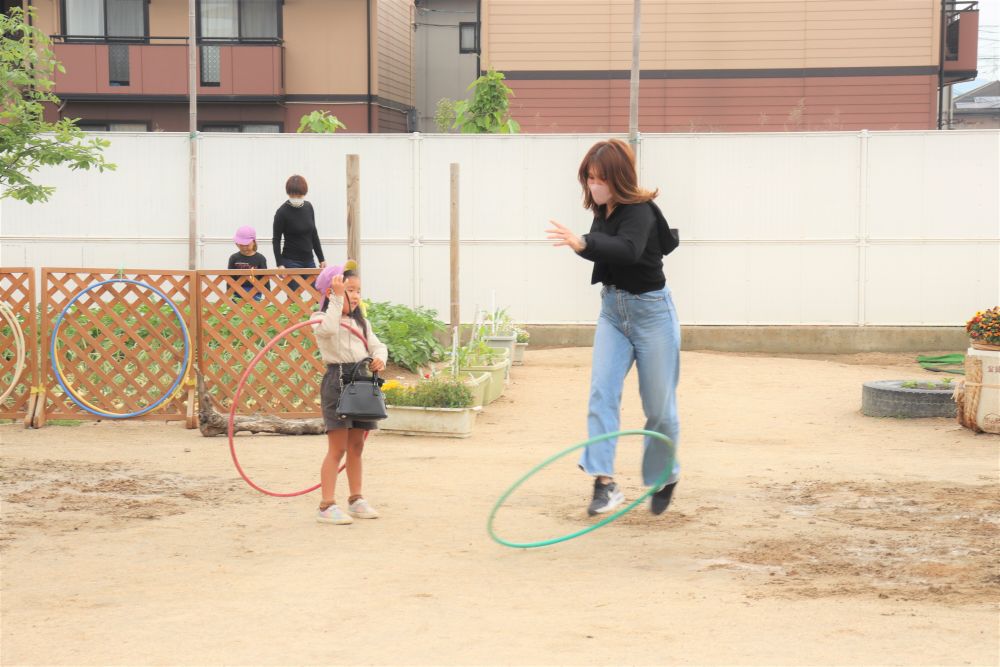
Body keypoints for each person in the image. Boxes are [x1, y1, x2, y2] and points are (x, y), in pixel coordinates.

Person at [546, 138, 681, 518]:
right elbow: (607, 250)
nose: (593, 185)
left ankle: (664, 475)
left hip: (652, 313)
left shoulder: (640, 211)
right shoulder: (603, 210)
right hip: (613, 313)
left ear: (618, 178)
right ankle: (604, 482)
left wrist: (583, 242)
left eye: (600, 178)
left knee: (659, 408)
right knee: (602, 393)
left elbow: (628, 249)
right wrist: (587, 241)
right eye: (589, 178)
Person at [311, 262, 387, 525]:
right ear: (330, 293)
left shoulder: (362, 323)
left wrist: (379, 359)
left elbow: (378, 346)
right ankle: (326, 505)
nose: (354, 295)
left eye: (356, 291)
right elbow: (329, 330)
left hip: (361, 382)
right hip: (337, 382)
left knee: (357, 445)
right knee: (338, 447)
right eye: (348, 290)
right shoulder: (320, 318)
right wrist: (336, 298)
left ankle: (356, 499)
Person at [273, 174, 326, 291]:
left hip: (309, 260)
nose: (296, 197)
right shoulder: (282, 212)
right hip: (291, 261)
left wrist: (321, 259)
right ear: (288, 193)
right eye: (293, 194)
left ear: (304, 193)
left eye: (299, 194)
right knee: (293, 298)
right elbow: (276, 240)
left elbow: (314, 234)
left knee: (318, 293)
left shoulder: (308, 207)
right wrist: (280, 264)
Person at [227, 225, 268, 301]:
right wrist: (228, 294)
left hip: (255, 291)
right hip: (237, 291)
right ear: (237, 244)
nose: (244, 248)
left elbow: (265, 278)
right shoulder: (234, 258)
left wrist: (268, 294)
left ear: (254, 242)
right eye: (241, 245)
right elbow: (230, 278)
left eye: (247, 245)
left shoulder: (260, 258)